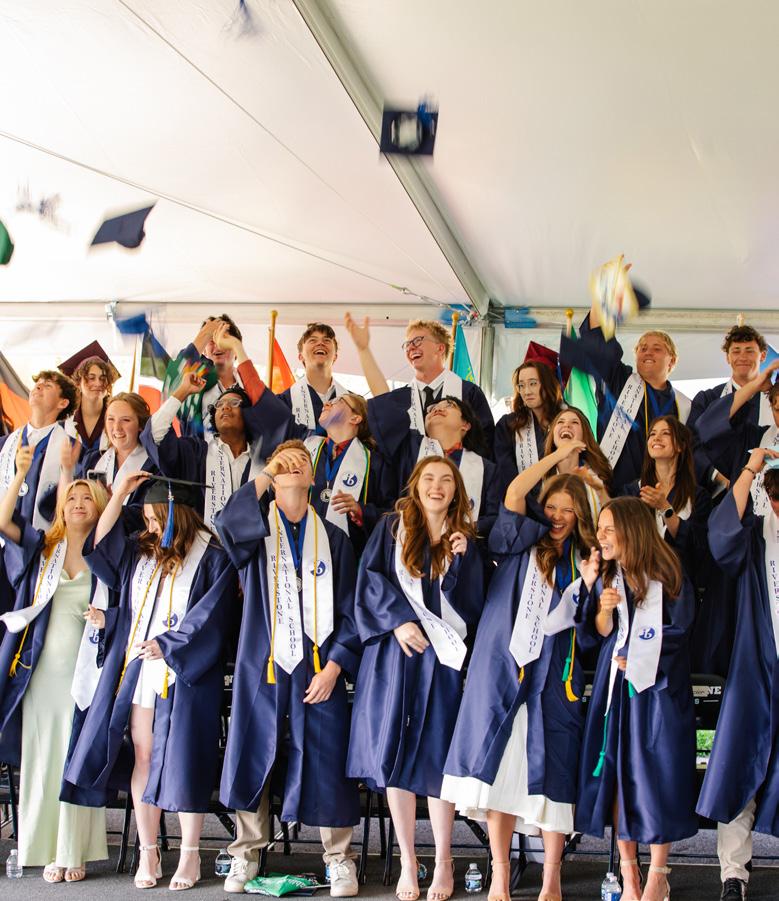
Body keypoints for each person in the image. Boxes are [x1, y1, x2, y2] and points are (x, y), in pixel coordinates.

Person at [63, 473, 239, 891]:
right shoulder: (141, 552)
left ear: (179, 515)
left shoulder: (213, 557)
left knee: (185, 758)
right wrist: (121, 493)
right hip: (142, 670)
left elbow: (212, 616)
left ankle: (191, 854)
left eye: (156, 519)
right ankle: (149, 851)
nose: (151, 527)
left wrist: (170, 644)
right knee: (143, 755)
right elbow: (101, 545)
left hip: (186, 672)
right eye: (145, 519)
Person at [441, 464, 599, 901]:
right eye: (552, 506)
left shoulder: (585, 560)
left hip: (554, 676)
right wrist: (560, 455)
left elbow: (590, 631)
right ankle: (500, 873)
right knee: (500, 775)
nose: (558, 516)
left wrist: (588, 585)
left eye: (568, 509)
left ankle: (552, 877)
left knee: (554, 775)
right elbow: (513, 493)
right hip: (502, 668)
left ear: (580, 515)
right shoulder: (519, 543)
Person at [214, 440, 362, 898]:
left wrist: (335, 667)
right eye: (285, 463)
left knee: (327, 754)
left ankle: (339, 859)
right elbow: (225, 523)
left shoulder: (335, 540)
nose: (294, 467)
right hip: (265, 665)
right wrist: (268, 470)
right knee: (253, 750)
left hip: (319, 668)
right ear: (272, 478)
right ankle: (244, 852)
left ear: (314, 480)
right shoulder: (255, 534)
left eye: (302, 463)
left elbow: (352, 612)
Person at [347, 456, 485, 901]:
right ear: (415, 484)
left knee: (438, 758)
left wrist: (463, 561)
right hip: (396, 656)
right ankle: (409, 861)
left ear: (457, 491)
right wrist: (396, 622)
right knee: (396, 757)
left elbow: (473, 606)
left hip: (440, 662)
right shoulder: (392, 528)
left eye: (446, 480)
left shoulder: (465, 539)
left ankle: (443, 860)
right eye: (428, 478)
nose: (436, 486)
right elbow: (368, 581)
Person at [575, 497, 697, 901]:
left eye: (609, 529)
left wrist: (645, 657)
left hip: (657, 689)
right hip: (615, 686)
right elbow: (595, 635)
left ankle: (659, 873)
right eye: (600, 528)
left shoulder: (668, 569)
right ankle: (629, 875)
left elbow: (682, 628)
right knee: (615, 775)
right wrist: (603, 611)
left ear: (632, 529)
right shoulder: (608, 575)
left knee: (658, 776)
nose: (601, 536)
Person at [0, 440, 109, 882]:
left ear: (99, 507)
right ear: (62, 507)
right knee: (43, 759)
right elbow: (3, 521)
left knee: (73, 757)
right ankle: (47, 849)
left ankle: (72, 850)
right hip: (40, 674)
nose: (78, 503)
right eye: (72, 497)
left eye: (87, 497)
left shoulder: (107, 557)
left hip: (83, 676)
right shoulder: (44, 548)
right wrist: (19, 474)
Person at [696, 446, 779, 901]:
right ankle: (733, 874)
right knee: (737, 767)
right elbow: (721, 534)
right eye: (776, 494)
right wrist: (750, 469)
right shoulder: (756, 535)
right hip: (755, 669)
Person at [236, 384, 395, 553]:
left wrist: (362, 511)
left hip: (346, 554)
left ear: (355, 418)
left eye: (339, 401)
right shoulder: (304, 448)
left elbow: (392, 515)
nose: (327, 403)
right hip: (293, 549)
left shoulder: (374, 463)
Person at [560, 294, 691, 488]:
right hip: (612, 489)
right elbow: (598, 340)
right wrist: (603, 296)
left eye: (657, 349)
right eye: (642, 348)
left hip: (661, 492)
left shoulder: (684, 405)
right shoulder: (619, 379)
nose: (648, 352)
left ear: (671, 360)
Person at [345, 313, 495, 453]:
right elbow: (384, 410)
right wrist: (363, 350)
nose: (411, 347)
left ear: (440, 348)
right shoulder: (401, 399)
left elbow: (485, 442)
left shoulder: (469, 393)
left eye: (418, 340)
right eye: (407, 344)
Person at [141, 369, 265, 531]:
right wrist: (183, 391)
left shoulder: (263, 460)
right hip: (205, 545)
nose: (225, 407)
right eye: (219, 405)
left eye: (234, 403)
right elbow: (155, 433)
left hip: (252, 545)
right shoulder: (196, 453)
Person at [367, 392, 499, 538]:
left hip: (461, 546)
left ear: (466, 425)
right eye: (431, 409)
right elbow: (386, 409)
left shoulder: (485, 468)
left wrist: (462, 527)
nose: (437, 408)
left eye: (449, 405)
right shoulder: (409, 447)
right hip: (407, 541)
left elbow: (494, 518)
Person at [687, 324, 770, 494]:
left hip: (769, 491)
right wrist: (717, 476)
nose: (742, 357)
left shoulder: (774, 400)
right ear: (727, 357)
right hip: (719, 492)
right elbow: (691, 443)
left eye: (749, 351)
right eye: (736, 351)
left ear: (762, 356)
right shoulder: (708, 399)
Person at [60, 392, 157, 533]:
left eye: (126, 420)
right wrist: (67, 470)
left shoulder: (153, 465)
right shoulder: (93, 459)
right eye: (111, 419)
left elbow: (147, 517)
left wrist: (113, 503)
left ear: (141, 425)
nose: (116, 428)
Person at [0, 369, 79, 529]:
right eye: (37, 384)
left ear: (62, 403)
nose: (38, 387)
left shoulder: (72, 449)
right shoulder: (5, 443)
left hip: (45, 537)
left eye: (48, 385)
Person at [166, 315, 250, 440]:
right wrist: (205, 333)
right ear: (204, 351)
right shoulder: (192, 384)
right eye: (211, 340)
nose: (218, 345)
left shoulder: (250, 388)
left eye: (224, 338)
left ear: (236, 347)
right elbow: (176, 374)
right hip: (199, 452)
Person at [493, 359, 564, 498]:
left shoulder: (569, 420)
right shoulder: (508, 425)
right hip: (522, 503)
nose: (526, 391)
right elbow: (505, 473)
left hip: (564, 501)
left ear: (548, 384)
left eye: (533, 384)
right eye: (521, 385)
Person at [278, 323, 349, 433]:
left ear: (335, 356)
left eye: (327, 340)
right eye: (313, 340)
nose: (320, 343)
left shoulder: (353, 404)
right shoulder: (283, 403)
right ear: (301, 356)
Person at [59, 343, 120, 455]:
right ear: (78, 383)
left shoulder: (117, 419)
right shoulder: (64, 421)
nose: (98, 383)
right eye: (91, 378)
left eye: (103, 378)